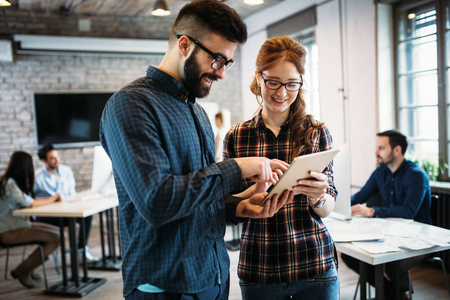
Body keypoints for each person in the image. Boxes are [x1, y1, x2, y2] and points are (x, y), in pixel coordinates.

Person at [99, 1, 294, 299]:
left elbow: (197, 197)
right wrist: (237, 168)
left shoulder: (198, 113)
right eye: (217, 59)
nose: (222, 73)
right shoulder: (130, 105)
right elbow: (157, 200)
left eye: (227, 63)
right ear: (185, 44)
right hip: (165, 287)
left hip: (213, 277)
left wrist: (237, 208)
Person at [223, 36, 339, 300]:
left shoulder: (316, 133)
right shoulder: (237, 136)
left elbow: (328, 207)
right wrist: (255, 190)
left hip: (314, 265)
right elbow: (226, 207)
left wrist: (317, 196)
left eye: (292, 84)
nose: (282, 93)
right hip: (259, 267)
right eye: (273, 82)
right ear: (258, 77)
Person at [341, 129, 432, 300]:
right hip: (390, 232)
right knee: (351, 255)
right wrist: (334, 202)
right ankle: (395, 295)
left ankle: (390, 295)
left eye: (381, 148)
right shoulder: (381, 172)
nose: (376, 152)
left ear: (397, 150)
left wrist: (373, 211)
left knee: (390, 261)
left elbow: (408, 212)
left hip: (419, 237)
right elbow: (360, 197)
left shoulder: (416, 175)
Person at [0, 151, 60, 289]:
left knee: (57, 232)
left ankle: (29, 266)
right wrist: (53, 198)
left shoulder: (9, 181)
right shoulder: (9, 184)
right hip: (9, 231)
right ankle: (23, 270)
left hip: (17, 225)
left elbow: (28, 201)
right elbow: (31, 203)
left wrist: (51, 200)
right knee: (56, 238)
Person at [33, 144, 98, 263]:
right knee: (72, 221)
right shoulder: (37, 177)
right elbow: (31, 200)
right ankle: (76, 254)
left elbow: (72, 193)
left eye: (57, 157)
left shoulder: (66, 171)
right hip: (48, 216)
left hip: (67, 211)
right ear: (44, 160)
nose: (57, 160)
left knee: (86, 216)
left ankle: (81, 251)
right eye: (52, 158)